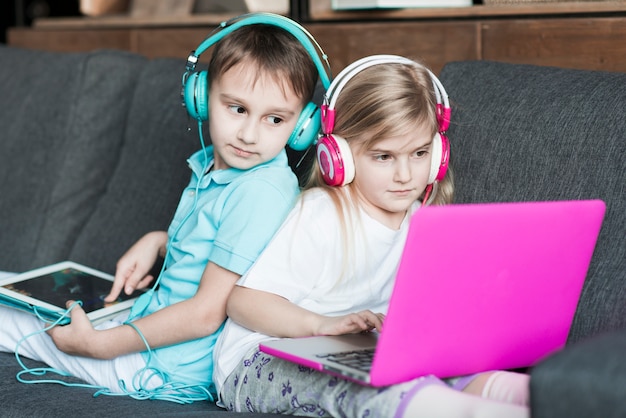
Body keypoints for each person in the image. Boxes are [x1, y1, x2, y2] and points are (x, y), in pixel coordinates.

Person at [0, 13, 331, 403]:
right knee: (12, 285)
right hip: (147, 329)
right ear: (202, 96)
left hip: (160, 367)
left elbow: (207, 313)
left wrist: (102, 346)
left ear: (302, 127)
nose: (248, 134)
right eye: (237, 109)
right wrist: (159, 241)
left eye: (274, 119)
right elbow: (213, 241)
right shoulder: (216, 167)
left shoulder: (259, 190)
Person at [212, 55, 531, 417]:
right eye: (383, 157)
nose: (405, 175)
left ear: (439, 153)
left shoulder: (423, 222)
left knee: (459, 371)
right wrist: (320, 325)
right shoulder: (322, 213)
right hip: (259, 359)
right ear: (340, 156)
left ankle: (538, 396)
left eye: (420, 153)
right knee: (356, 389)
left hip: (359, 355)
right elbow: (243, 302)